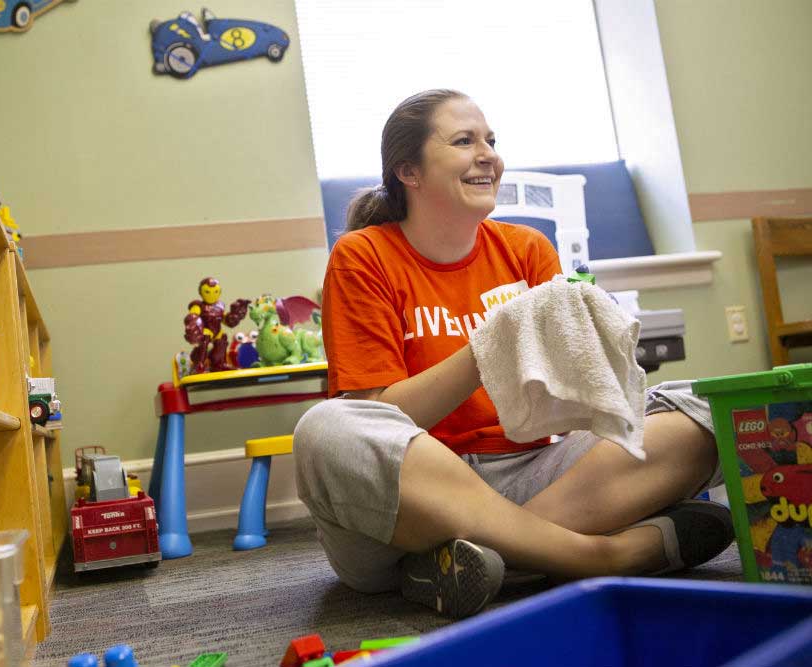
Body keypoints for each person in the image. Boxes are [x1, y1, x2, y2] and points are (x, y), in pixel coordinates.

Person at [293, 89, 734, 619]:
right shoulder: (362, 256)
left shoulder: (526, 249)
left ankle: (474, 562)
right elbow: (380, 416)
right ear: (408, 171)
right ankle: (597, 554)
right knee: (326, 428)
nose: (488, 154)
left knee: (700, 414)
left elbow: (574, 405)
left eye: (491, 140)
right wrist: (491, 348)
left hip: (533, 471)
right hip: (413, 500)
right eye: (463, 141)